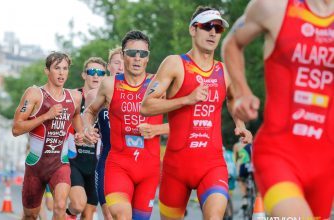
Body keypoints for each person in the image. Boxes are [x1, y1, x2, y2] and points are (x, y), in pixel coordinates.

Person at [221, 0, 333, 218]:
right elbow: (232, 43)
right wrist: (242, 91)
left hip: (327, 162)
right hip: (279, 154)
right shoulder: (273, 7)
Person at [140, 6, 252, 219]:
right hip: (176, 168)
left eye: (218, 28)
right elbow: (146, 106)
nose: (212, 32)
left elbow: (232, 98)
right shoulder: (175, 64)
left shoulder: (223, 70)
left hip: (212, 164)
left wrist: (240, 124)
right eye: (207, 26)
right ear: (193, 30)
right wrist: (186, 99)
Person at [83, 30, 169, 220]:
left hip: (149, 170)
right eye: (131, 53)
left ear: (148, 58)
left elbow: (184, 122)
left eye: (143, 54)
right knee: (121, 216)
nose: (137, 59)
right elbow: (89, 112)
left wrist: (158, 129)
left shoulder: (159, 84)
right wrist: (88, 127)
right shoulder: (109, 85)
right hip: (118, 166)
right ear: (123, 56)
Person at [12, 51, 87, 220]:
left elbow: (75, 116)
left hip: (60, 163)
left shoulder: (74, 97)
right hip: (35, 165)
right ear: (47, 71)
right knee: (31, 215)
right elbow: (16, 129)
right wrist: (46, 116)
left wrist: (80, 133)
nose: (61, 73)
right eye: (57, 68)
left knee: (60, 206)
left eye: (65, 68)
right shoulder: (34, 94)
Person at [66, 57, 107, 220]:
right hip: (74, 160)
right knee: (77, 205)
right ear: (84, 75)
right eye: (92, 72)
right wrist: (75, 135)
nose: (96, 76)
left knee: (88, 214)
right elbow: (63, 125)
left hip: (96, 163)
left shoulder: (108, 100)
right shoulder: (74, 97)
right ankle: (65, 213)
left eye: (100, 73)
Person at [93, 47, 123, 220]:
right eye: (116, 63)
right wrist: (86, 130)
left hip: (132, 162)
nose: (120, 67)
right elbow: (86, 115)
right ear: (109, 66)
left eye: (122, 63)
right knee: (109, 215)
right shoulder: (98, 94)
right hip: (106, 160)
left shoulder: (138, 93)